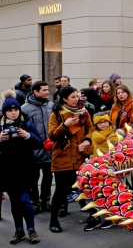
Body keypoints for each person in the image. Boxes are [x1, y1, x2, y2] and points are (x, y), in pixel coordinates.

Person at [47, 86, 93, 233]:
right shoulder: (57, 114)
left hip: (80, 157)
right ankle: (53, 221)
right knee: (60, 191)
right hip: (62, 158)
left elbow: (91, 129)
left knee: (85, 188)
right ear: (64, 99)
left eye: (77, 96)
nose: (76, 99)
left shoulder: (84, 112)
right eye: (73, 97)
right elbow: (52, 135)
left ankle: (93, 216)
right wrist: (65, 126)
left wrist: (87, 140)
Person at [0, 90, 43, 244]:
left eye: (16, 110)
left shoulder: (27, 123)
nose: (13, 113)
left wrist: (28, 136)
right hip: (7, 170)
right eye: (10, 111)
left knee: (25, 200)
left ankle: (31, 230)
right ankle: (19, 231)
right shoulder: (0, 126)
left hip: (26, 169)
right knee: (14, 203)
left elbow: (39, 143)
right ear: (5, 112)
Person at [83, 111, 120, 231]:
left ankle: (112, 218)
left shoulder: (114, 135)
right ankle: (96, 218)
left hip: (110, 168)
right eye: (100, 123)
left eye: (105, 122)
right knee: (95, 193)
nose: (103, 125)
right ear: (96, 125)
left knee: (110, 193)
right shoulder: (94, 135)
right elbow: (92, 150)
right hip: (96, 167)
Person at [21, 81, 54, 214]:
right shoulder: (24, 109)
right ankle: (35, 202)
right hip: (32, 149)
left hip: (50, 148)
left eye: (47, 89)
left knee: (48, 176)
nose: (47, 92)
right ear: (35, 91)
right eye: (44, 90)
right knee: (33, 178)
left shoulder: (51, 106)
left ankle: (46, 200)